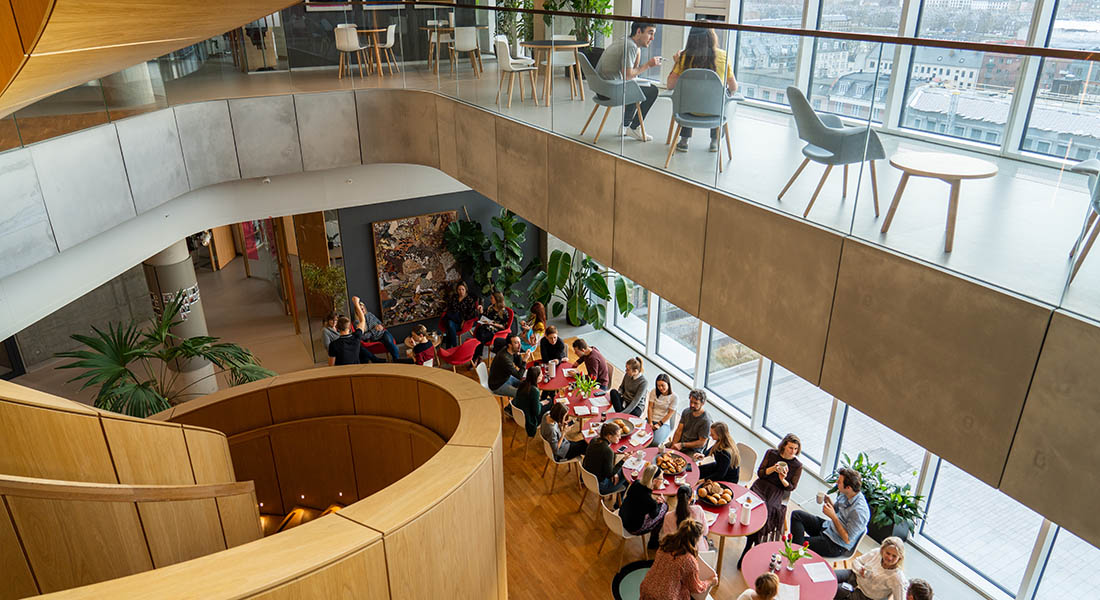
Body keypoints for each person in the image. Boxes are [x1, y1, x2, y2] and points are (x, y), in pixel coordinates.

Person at [666, 25, 738, 153]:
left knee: (687, 94)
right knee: (723, 96)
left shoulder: (684, 57)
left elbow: (670, 85)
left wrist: (677, 62)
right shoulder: (723, 56)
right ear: (712, 37)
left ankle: (684, 140)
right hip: (714, 112)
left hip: (687, 111)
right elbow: (733, 87)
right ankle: (715, 141)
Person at [738, 433, 803, 568]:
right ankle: (752, 545)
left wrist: (782, 479)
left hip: (777, 490)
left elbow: (791, 487)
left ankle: (750, 546)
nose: (793, 452)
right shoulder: (771, 453)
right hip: (761, 485)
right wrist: (773, 468)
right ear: (784, 446)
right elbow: (761, 473)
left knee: (769, 510)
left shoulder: (797, 465)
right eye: (791, 448)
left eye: (796, 449)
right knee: (755, 506)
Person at [595, 21, 662, 142]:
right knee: (653, 91)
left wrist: (639, 49)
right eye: (650, 33)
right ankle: (634, 127)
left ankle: (625, 126)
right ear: (638, 32)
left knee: (633, 86)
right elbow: (628, 75)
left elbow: (631, 75)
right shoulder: (630, 46)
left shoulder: (626, 40)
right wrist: (648, 65)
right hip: (609, 91)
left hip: (601, 88)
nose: (652, 38)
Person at [791, 467, 870, 559]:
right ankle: (797, 549)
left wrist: (833, 517)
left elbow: (847, 539)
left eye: (839, 482)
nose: (836, 483)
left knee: (797, 543)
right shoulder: (845, 494)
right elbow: (837, 510)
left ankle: (796, 551)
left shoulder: (859, 512)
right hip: (828, 527)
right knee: (797, 515)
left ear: (848, 487)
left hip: (836, 543)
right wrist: (829, 502)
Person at [639, 519, 716, 600]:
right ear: (695, 540)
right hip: (665, 596)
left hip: (647, 587)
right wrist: (710, 581)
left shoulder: (665, 545)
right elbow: (696, 588)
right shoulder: (688, 560)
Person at [833, 536, 908, 600]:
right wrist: (860, 569)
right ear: (882, 550)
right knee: (829, 576)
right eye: (887, 553)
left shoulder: (897, 578)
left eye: (894, 556)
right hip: (854, 575)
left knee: (834, 589)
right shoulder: (876, 553)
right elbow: (857, 561)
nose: (890, 558)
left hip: (864, 595)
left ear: (900, 558)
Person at [621, 463, 670, 549]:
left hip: (622, 517)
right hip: (633, 528)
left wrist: (654, 504)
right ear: (654, 481)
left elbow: (635, 499)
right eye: (661, 479)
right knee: (665, 508)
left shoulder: (636, 483)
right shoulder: (650, 501)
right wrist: (661, 503)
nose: (662, 481)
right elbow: (654, 515)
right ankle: (653, 542)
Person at [661, 484, 710, 554]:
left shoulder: (668, 516)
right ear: (691, 498)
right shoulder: (698, 510)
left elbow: (666, 536)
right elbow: (705, 532)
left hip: (676, 553)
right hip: (698, 553)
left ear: (677, 498)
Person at [582, 422, 627, 495]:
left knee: (617, 471)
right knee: (626, 474)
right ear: (609, 436)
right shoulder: (608, 451)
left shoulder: (593, 440)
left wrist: (613, 473)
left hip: (587, 479)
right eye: (618, 435)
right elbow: (609, 474)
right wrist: (623, 460)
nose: (620, 437)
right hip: (601, 486)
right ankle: (618, 504)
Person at [354, 298, 402, 363]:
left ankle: (396, 359)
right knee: (389, 344)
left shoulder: (370, 314)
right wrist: (374, 330)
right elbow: (362, 337)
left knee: (389, 342)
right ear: (357, 311)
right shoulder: (357, 322)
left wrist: (381, 326)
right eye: (360, 309)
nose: (362, 310)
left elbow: (379, 323)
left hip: (382, 333)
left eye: (363, 308)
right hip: (374, 338)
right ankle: (396, 359)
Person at [328, 296, 367, 366]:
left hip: (343, 374)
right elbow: (362, 320)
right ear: (349, 327)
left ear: (337, 328)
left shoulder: (333, 345)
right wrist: (356, 303)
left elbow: (331, 366)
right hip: (356, 371)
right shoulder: (357, 337)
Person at [669, 389, 711, 453]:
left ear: (703, 403)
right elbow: (679, 431)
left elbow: (702, 442)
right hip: (681, 443)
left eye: (695, 403)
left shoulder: (706, 421)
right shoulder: (686, 412)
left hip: (693, 450)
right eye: (691, 402)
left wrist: (682, 445)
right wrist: (673, 445)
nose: (692, 405)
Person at [510, 367, 547, 438]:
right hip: (529, 420)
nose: (542, 376)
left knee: (546, 400)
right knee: (550, 402)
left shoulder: (523, 384)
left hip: (520, 414)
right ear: (537, 378)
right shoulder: (534, 391)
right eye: (541, 375)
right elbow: (537, 412)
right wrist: (541, 403)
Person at [474, 291, 510, 362]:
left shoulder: (503, 312)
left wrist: (494, 324)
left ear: (497, 299)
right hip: (487, 328)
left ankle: (476, 357)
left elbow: (505, 327)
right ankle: (478, 356)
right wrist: (481, 311)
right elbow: (485, 316)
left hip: (495, 331)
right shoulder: (491, 307)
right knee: (480, 333)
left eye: (492, 298)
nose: (490, 300)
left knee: (480, 336)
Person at [441, 281, 479, 348]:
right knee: (450, 323)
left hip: (461, 320)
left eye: (462, 289)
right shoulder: (455, 297)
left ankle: (448, 345)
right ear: (457, 290)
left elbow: (472, 313)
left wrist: (464, 321)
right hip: (453, 319)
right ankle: (455, 346)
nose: (461, 291)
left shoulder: (469, 299)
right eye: (459, 289)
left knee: (449, 321)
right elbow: (450, 307)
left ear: (466, 289)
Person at [646, 374, 678, 446]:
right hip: (651, 419)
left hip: (663, 423)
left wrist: (659, 424)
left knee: (655, 442)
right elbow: (650, 407)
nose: (660, 388)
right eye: (658, 385)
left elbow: (670, 414)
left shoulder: (674, 397)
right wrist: (650, 422)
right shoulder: (653, 391)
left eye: (662, 385)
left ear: (668, 384)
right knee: (640, 437)